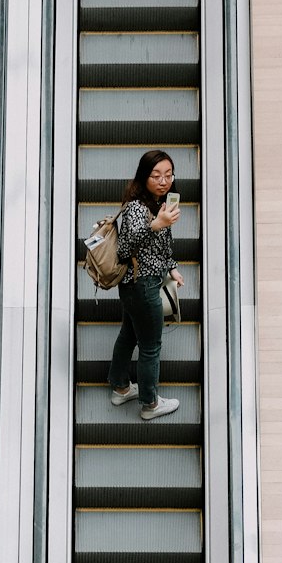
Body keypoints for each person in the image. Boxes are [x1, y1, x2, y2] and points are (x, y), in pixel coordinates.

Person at [107, 149, 184, 420]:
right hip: (142, 286)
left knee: (129, 334)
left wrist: (171, 266)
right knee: (151, 346)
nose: (163, 181)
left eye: (168, 175)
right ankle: (150, 404)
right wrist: (156, 224)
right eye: (155, 175)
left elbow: (159, 244)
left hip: (136, 284)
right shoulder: (137, 208)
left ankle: (120, 387)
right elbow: (125, 248)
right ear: (144, 176)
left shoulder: (157, 202)